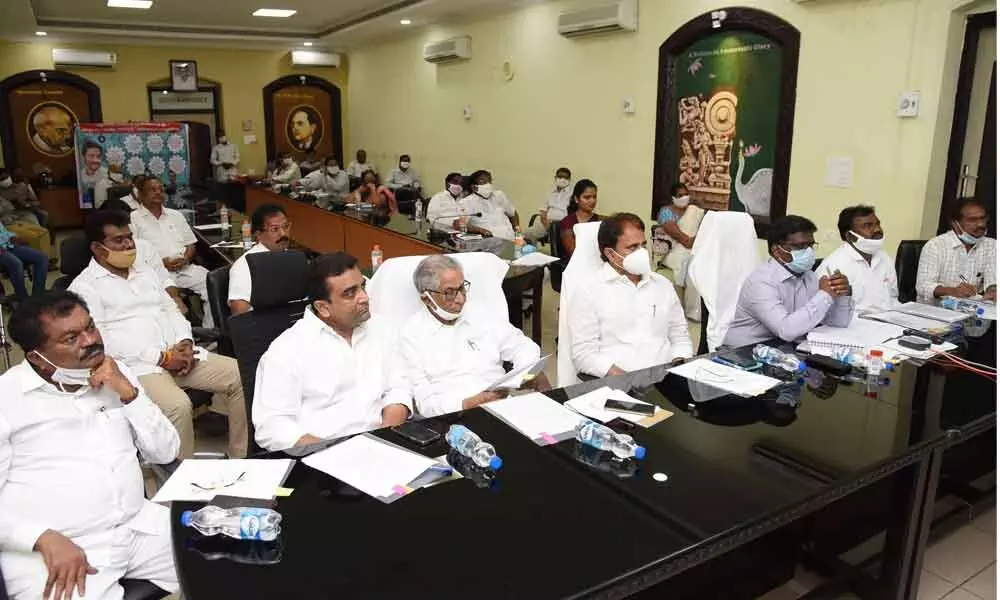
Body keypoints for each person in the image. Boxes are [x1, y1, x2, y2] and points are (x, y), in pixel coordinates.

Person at [1, 291, 180, 599]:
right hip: (57, 549)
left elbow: (166, 452)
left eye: (90, 327)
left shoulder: (116, 374)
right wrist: (39, 537)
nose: (89, 341)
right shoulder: (8, 399)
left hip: (140, 528)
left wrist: (128, 394)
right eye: (71, 338)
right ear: (36, 356)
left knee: (245, 556)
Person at [69, 211, 248, 459]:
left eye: (129, 237)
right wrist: (162, 358)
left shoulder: (143, 271)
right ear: (98, 248)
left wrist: (184, 341)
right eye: (118, 240)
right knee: (178, 405)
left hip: (179, 354)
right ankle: (178, 487)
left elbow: (170, 308)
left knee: (242, 375)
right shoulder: (84, 287)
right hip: (138, 367)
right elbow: (102, 342)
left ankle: (240, 459)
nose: (129, 244)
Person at [252, 252, 412, 451]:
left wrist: (386, 437)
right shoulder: (287, 350)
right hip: (323, 453)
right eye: (350, 293)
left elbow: (398, 387)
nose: (364, 297)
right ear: (323, 308)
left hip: (385, 445)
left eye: (362, 286)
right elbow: (272, 427)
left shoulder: (382, 328)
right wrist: (333, 452)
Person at [397, 255, 547, 417]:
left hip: (502, 406)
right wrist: (468, 404)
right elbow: (425, 403)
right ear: (427, 298)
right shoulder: (411, 334)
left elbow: (521, 345)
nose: (461, 299)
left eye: (462, 288)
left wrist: (525, 373)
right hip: (455, 417)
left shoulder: (479, 313)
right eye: (450, 293)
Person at [567, 213, 693, 378]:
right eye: (632, 247)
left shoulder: (662, 285)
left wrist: (678, 365)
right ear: (611, 254)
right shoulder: (589, 291)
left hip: (666, 379)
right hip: (619, 384)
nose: (641, 253)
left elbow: (680, 336)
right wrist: (628, 381)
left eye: (644, 245)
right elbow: (584, 355)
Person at [724, 215, 853, 347]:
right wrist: (825, 295)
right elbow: (786, 330)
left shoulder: (809, 276)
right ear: (777, 250)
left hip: (784, 347)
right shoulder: (761, 282)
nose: (808, 251)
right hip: (743, 352)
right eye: (799, 246)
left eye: (810, 245)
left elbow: (838, 323)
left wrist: (844, 293)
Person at [129, 177, 214, 328]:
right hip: (155, 274)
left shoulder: (176, 215)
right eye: (152, 189)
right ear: (140, 195)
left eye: (161, 189)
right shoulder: (133, 219)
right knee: (165, 304)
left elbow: (191, 244)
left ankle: (210, 333)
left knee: (214, 284)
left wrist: (186, 258)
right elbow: (133, 252)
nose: (158, 193)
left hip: (185, 268)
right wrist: (161, 263)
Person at [817, 205, 899, 315]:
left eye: (877, 224)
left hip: (888, 320)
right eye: (867, 226)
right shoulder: (834, 265)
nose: (877, 229)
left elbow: (893, 297)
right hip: (853, 326)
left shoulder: (885, 258)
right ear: (849, 236)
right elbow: (826, 311)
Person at [916, 198, 996, 303]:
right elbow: (923, 287)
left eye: (983, 219)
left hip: (973, 313)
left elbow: (993, 279)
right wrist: (952, 291)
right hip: (935, 312)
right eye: (973, 220)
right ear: (955, 223)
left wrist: (993, 290)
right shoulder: (935, 246)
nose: (981, 224)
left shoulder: (993, 245)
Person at [228, 204, 291, 315]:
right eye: (275, 229)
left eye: (285, 227)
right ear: (258, 235)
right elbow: (239, 313)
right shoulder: (245, 265)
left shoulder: (292, 258)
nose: (283, 233)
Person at [0, 169, 55, 263]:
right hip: (9, 219)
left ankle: (47, 258)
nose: (5, 180)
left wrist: (26, 204)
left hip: (25, 212)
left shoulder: (22, 187)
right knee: (34, 234)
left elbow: (36, 202)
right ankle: (36, 257)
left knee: (41, 230)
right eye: (2, 179)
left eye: (6, 177)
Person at [465, 170, 519, 241]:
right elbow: (461, 225)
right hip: (488, 240)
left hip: (510, 238)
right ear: (473, 187)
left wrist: (518, 232)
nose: (488, 185)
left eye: (489, 181)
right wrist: (480, 230)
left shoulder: (499, 195)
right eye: (483, 182)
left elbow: (513, 213)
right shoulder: (466, 202)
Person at [0, 222, 48, 301]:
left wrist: (13, 236)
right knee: (16, 263)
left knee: (42, 258)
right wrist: (7, 238)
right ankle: (23, 299)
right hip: (1, 251)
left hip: (9, 245)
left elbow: (3, 231)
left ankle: (37, 296)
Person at [525, 167, 573, 243]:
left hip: (563, 224)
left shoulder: (573, 193)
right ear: (555, 178)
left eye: (565, 177)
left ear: (569, 179)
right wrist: (547, 226)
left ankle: (555, 254)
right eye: (560, 177)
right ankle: (532, 253)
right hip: (547, 223)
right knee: (527, 233)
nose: (563, 180)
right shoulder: (549, 193)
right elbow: (543, 212)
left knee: (556, 238)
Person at [560, 179, 601, 258]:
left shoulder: (599, 220)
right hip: (576, 264)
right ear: (576, 199)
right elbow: (573, 252)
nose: (592, 201)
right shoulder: (567, 222)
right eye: (587, 197)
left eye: (594, 197)